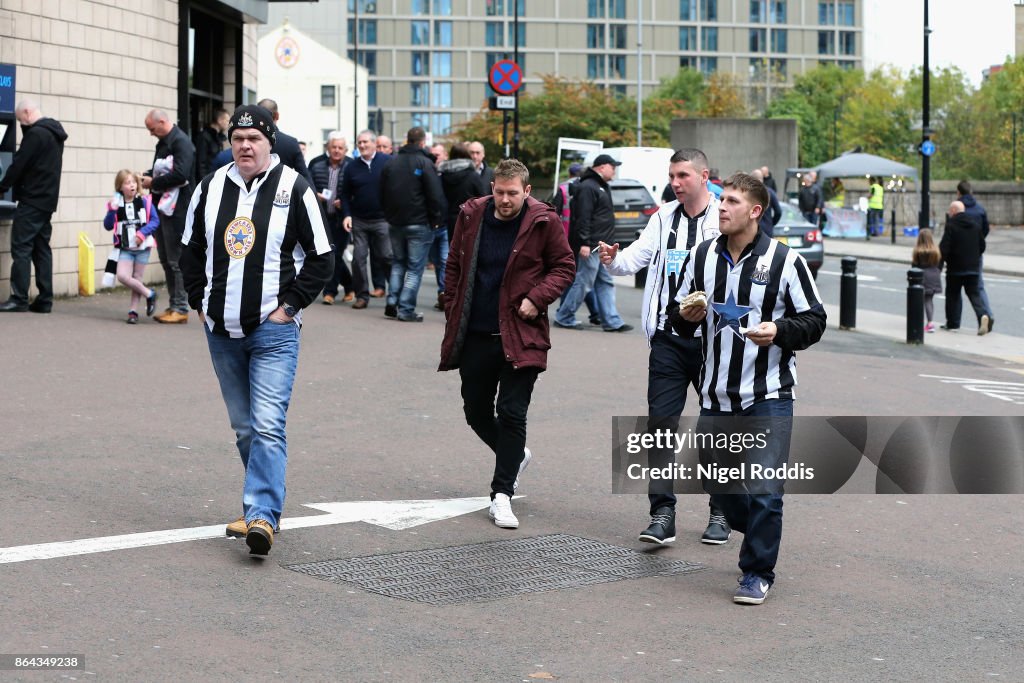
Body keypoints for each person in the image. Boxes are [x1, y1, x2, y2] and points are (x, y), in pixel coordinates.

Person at [179, 105, 334, 556]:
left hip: (273, 331)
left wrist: (289, 307)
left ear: (270, 143)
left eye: (255, 139)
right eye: (238, 138)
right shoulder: (209, 188)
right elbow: (189, 249)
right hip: (220, 329)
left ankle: (262, 516)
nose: (245, 146)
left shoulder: (295, 188)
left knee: (267, 425)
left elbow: (321, 257)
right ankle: (261, 506)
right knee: (245, 427)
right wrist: (198, 301)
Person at [668, 172, 826, 605]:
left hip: (769, 394)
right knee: (718, 483)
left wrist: (779, 330)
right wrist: (687, 316)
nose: (721, 208)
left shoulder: (784, 261)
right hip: (716, 394)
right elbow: (677, 315)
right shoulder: (701, 257)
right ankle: (753, 523)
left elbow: (815, 320)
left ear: (754, 211)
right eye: (721, 201)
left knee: (764, 489)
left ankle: (756, 572)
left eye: (732, 202)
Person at [600, 148, 728, 546]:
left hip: (714, 341)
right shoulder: (663, 218)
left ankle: (721, 512)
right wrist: (613, 259)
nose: (675, 182)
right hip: (669, 340)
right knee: (660, 427)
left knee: (716, 428)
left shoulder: (725, 216)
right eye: (672, 176)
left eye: (683, 175)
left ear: (703, 175)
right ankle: (662, 513)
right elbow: (634, 259)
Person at [438, 159, 575, 529]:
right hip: (477, 332)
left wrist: (537, 298)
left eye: (512, 193)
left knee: (513, 413)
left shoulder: (543, 221)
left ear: (526, 191)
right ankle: (514, 456)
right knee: (475, 411)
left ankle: (501, 495)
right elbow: (454, 264)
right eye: (498, 191)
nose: (504, 200)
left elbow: (564, 265)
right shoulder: (472, 215)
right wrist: (451, 303)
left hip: (521, 333)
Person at [0, 99, 67, 313]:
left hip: (31, 200)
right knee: (41, 249)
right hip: (47, 201)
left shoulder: (36, 134)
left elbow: (19, 164)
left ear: (27, 113)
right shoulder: (54, 134)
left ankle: (18, 298)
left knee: (21, 248)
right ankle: (45, 299)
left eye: (21, 120)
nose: (22, 125)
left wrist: (2, 186)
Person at [554, 154, 632, 333]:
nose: (615, 170)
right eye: (613, 166)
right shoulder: (589, 187)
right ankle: (565, 316)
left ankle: (612, 321)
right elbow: (583, 217)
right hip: (593, 244)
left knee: (604, 282)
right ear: (602, 167)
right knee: (583, 281)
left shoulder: (598, 186)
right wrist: (585, 243)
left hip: (601, 243)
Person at [379, 126, 445, 322]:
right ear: (423, 142)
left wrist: (388, 215)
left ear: (407, 140)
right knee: (415, 268)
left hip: (396, 221)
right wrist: (436, 220)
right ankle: (406, 309)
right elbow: (435, 196)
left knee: (399, 263)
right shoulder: (425, 163)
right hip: (419, 222)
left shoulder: (391, 163)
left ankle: (392, 302)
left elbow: (381, 193)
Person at [141, 109, 194, 324]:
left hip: (177, 209)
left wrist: (152, 183)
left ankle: (180, 307)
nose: (151, 134)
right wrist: (148, 176)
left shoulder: (181, 142)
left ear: (162, 122)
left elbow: (181, 174)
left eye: (152, 129)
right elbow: (162, 171)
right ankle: (175, 305)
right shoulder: (166, 141)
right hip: (164, 208)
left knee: (175, 260)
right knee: (166, 259)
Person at [342, 129, 393, 309]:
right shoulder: (351, 167)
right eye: (359, 143)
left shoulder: (387, 162)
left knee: (386, 256)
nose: (362, 145)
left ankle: (394, 295)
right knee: (358, 259)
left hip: (383, 219)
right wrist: (347, 215)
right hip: (360, 220)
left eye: (365, 142)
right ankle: (362, 296)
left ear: (374, 143)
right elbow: (345, 194)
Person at [436, 142, 490, 310]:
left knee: (452, 260)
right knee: (470, 260)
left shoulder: (443, 175)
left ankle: (449, 295)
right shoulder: (472, 175)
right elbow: (483, 198)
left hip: (450, 220)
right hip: (470, 220)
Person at [103, 170, 160, 324]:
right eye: (127, 183)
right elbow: (108, 226)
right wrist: (111, 211)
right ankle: (150, 294)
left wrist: (142, 233)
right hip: (125, 248)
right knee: (122, 276)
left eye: (133, 182)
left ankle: (133, 311)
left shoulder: (145, 201)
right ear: (120, 187)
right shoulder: (116, 204)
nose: (132, 185)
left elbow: (155, 221)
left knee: (137, 279)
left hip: (143, 248)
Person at [552, 163, 601, 325]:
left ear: (569, 172)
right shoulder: (589, 186)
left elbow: (554, 213)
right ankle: (594, 313)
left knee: (575, 277)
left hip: (566, 239)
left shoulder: (563, 188)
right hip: (583, 239)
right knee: (581, 277)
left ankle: (566, 311)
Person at [309, 131, 353, 305]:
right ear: (328, 147)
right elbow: (306, 185)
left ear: (345, 150)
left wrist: (345, 203)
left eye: (340, 148)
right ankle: (349, 286)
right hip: (322, 218)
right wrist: (315, 195)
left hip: (342, 219)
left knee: (335, 255)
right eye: (333, 147)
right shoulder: (316, 164)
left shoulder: (352, 166)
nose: (336, 150)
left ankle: (330, 292)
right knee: (330, 255)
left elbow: (356, 192)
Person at [939, 200, 991, 335]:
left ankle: (953, 323)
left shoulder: (951, 225)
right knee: (974, 294)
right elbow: (982, 245)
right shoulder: (975, 224)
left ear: (954, 211)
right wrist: (974, 257)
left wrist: (939, 266)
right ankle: (982, 315)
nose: (949, 214)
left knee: (953, 295)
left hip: (955, 268)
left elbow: (945, 247)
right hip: (973, 267)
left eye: (950, 211)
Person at [957, 180, 994, 329]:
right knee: (978, 285)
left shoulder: (958, 208)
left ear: (959, 192)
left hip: (960, 253)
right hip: (976, 252)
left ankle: (953, 322)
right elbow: (986, 229)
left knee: (955, 288)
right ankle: (987, 314)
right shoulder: (980, 209)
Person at [256, 98, 315, 187]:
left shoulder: (246, 142)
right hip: (282, 193)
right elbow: (305, 177)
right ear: (277, 116)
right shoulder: (290, 143)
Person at [912, 229, 942, 333]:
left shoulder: (917, 251)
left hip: (922, 277)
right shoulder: (936, 251)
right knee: (929, 300)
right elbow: (938, 264)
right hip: (934, 276)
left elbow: (914, 266)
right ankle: (930, 322)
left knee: (919, 300)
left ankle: (919, 322)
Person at [195, 108, 229, 180]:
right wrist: (204, 183)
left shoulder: (218, 137)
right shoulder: (204, 137)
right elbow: (201, 163)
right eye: (227, 120)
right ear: (219, 120)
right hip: (207, 180)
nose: (228, 123)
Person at [750, 169, 781, 238]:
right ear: (762, 179)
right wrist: (771, 223)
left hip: (752, 231)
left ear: (751, 179)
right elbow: (778, 212)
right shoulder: (770, 192)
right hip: (767, 230)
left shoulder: (748, 193)